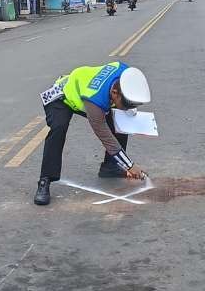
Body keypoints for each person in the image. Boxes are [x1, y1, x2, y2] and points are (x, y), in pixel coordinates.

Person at [34, 62, 152, 206]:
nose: (130, 107)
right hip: (61, 96)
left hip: (84, 92)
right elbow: (107, 139)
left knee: (120, 119)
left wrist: (129, 109)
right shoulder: (95, 103)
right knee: (58, 128)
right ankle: (44, 180)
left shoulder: (125, 72)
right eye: (128, 103)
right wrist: (130, 166)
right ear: (115, 93)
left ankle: (110, 167)